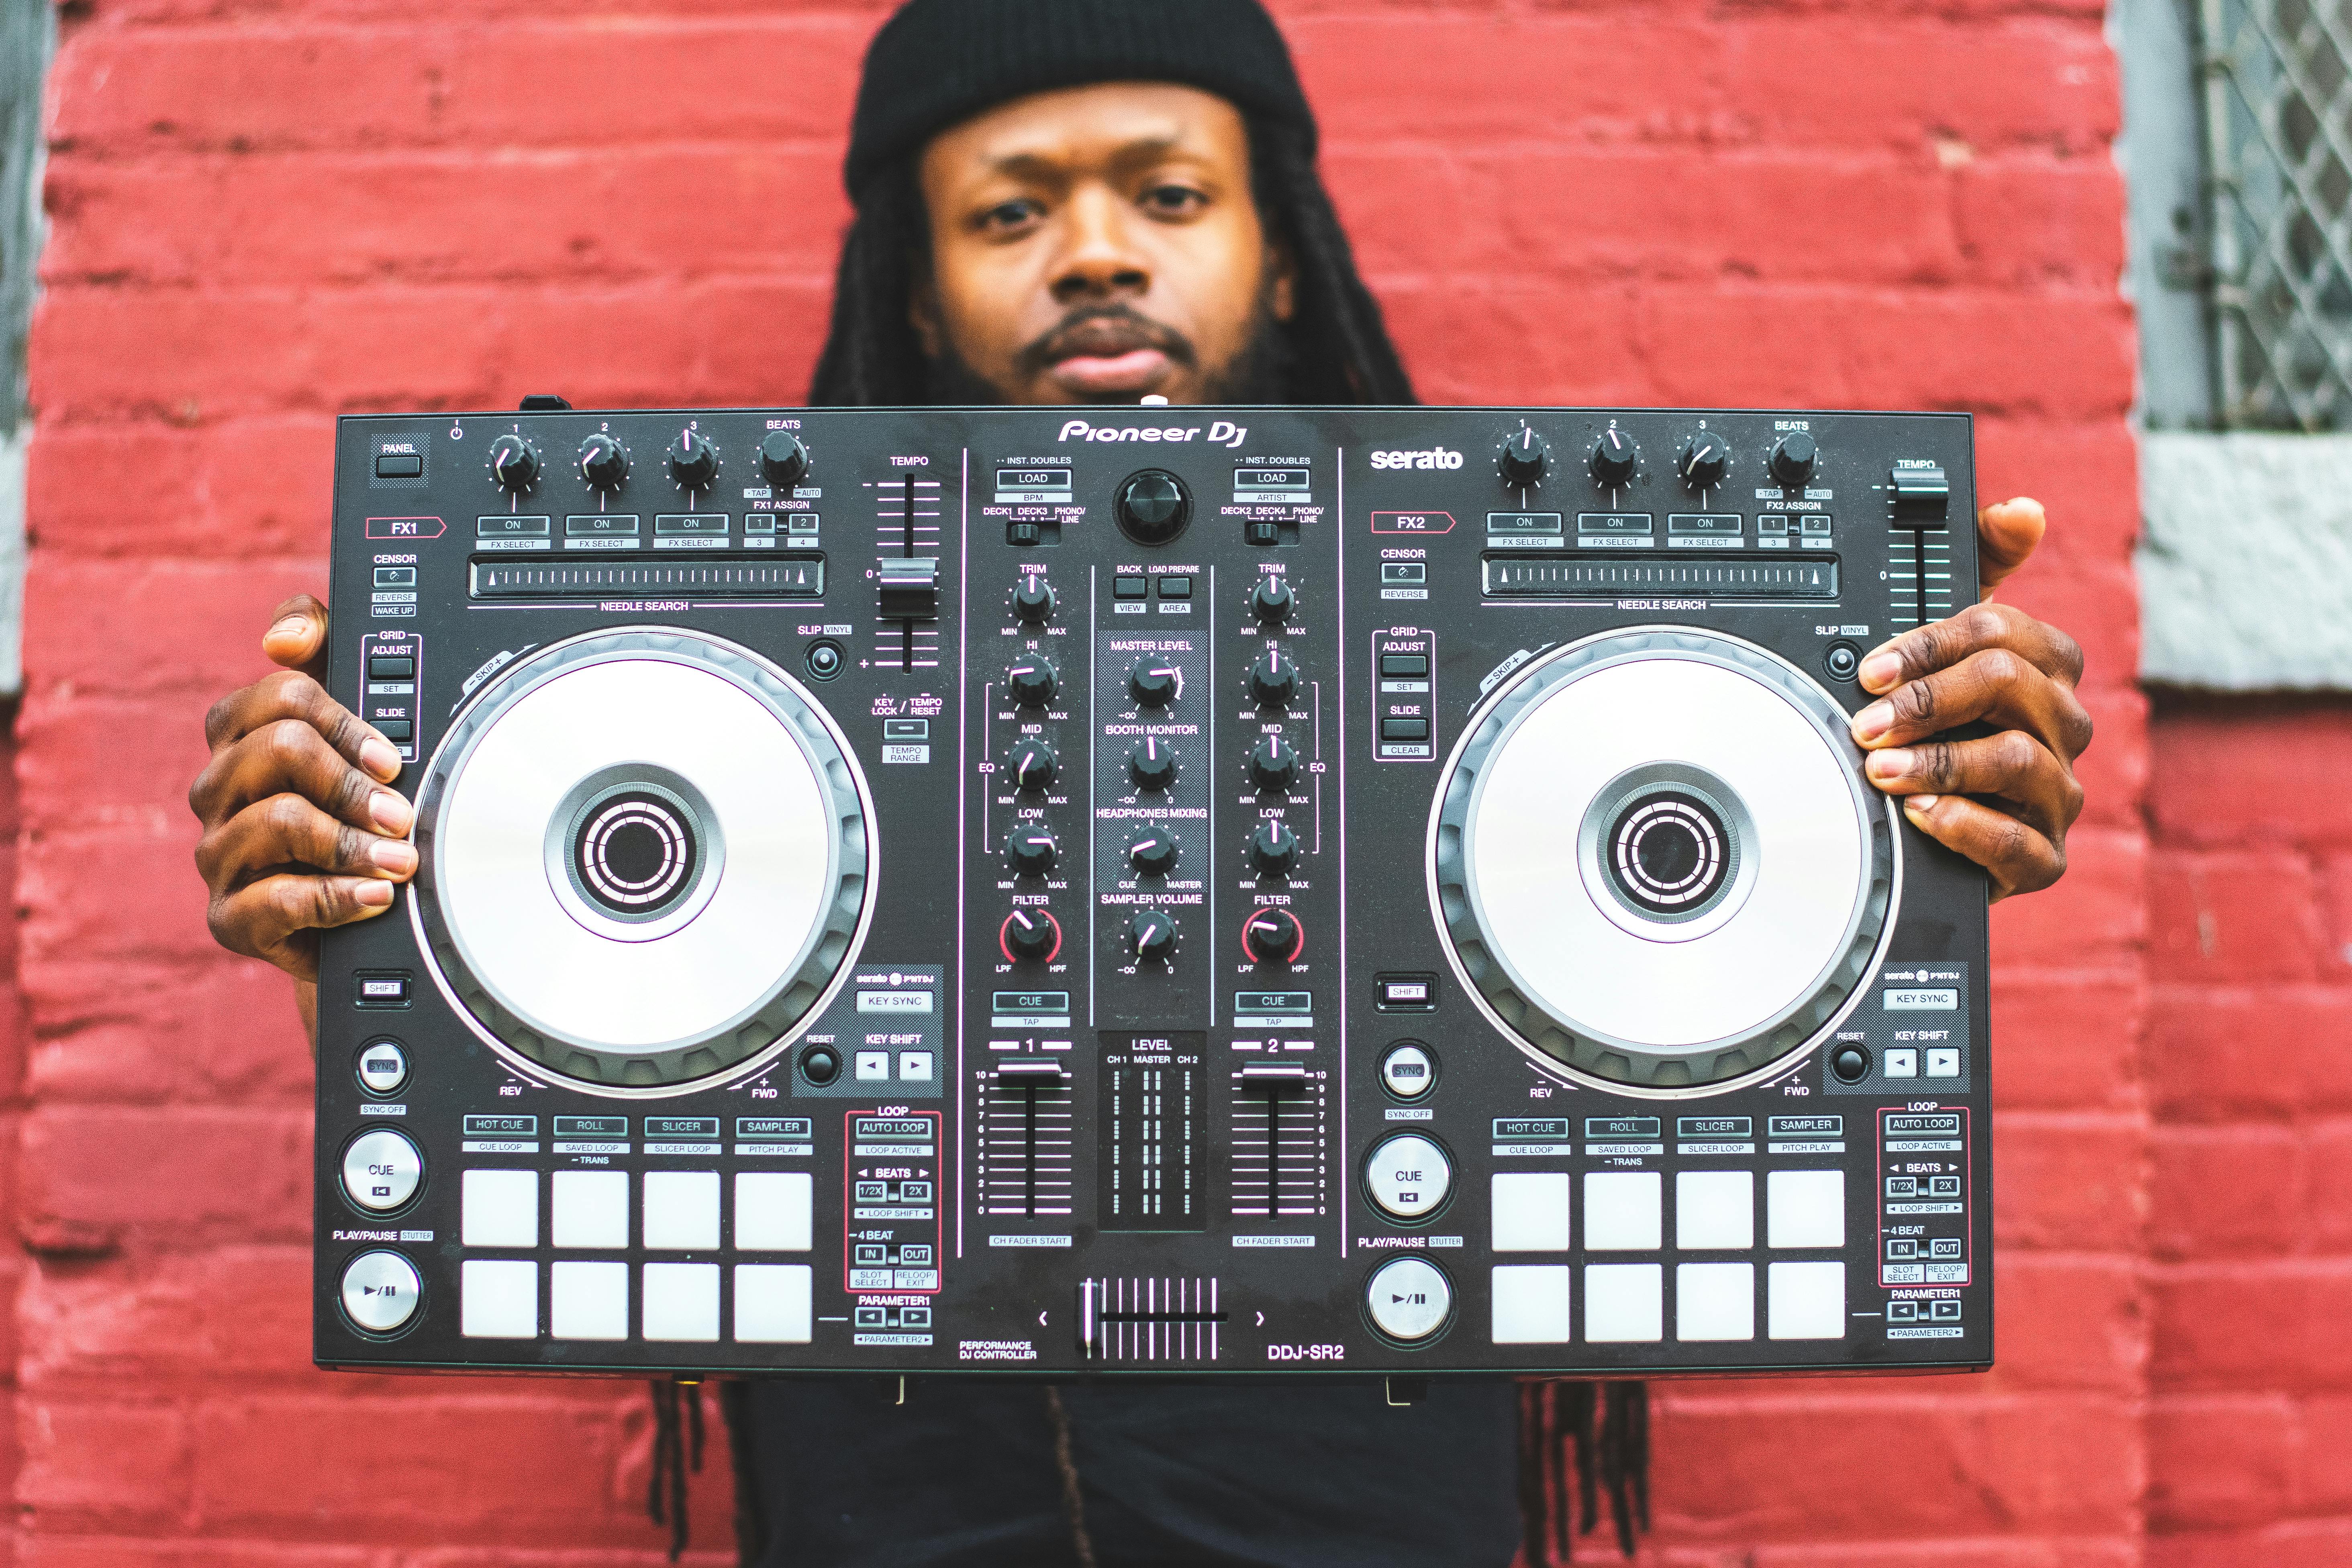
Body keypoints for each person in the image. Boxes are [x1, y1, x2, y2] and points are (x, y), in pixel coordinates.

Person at [188, 1, 2095, 1563]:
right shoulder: (698, 641)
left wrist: (1898, 815)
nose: (1096, 250)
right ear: (917, 293)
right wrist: (385, 943)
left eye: (1166, 192)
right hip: (879, 1484)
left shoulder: (1573, 621)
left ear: (1279, 242)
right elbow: (577, 1083)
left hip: (1377, 1471)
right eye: (1010, 212)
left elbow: (1707, 1025)